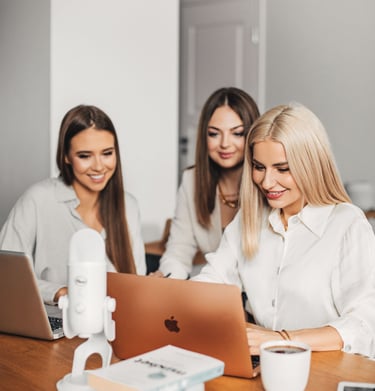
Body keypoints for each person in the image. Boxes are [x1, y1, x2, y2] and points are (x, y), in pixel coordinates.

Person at [193, 103, 375, 357]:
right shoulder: (250, 219)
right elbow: (211, 282)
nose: (267, 182)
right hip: (265, 363)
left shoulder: (347, 224)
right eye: (259, 167)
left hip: (326, 368)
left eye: (282, 169)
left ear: (310, 164)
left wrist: (283, 340)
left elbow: (364, 326)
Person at [0, 105, 146, 304]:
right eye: (85, 156)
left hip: (115, 326)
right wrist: (59, 292)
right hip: (55, 323)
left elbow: (135, 282)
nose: (98, 166)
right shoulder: (37, 200)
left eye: (107, 153)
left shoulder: (128, 205)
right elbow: (5, 274)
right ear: (66, 156)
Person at [154, 87, 260, 279]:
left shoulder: (266, 181)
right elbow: (178, 252)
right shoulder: (192, 181)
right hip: (213, 291)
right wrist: (166, 277)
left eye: (237, 133)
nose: (225, 144)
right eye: (214, 134)